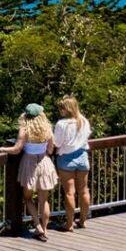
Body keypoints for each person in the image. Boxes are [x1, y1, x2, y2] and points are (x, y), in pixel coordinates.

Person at [0, 103, 58, 241]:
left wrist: (3, 149)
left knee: (27, 198)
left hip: (28, 163)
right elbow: (50, 150)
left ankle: (37, 226)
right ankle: (45, 229)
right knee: (44, 200)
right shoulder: (47, 129)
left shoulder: (24, 130)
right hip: (44, 162)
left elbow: (16, 149)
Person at [54, 95, 92, 231]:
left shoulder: (61, 124)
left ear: (67, 109)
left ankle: (69, 224)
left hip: (66, 158)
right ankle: (83, 221)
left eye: (62, 108)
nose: (60, 110)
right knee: (84, 190)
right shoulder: (84, 121)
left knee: (70, 193)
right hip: (82, 157)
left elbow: (57, 143)